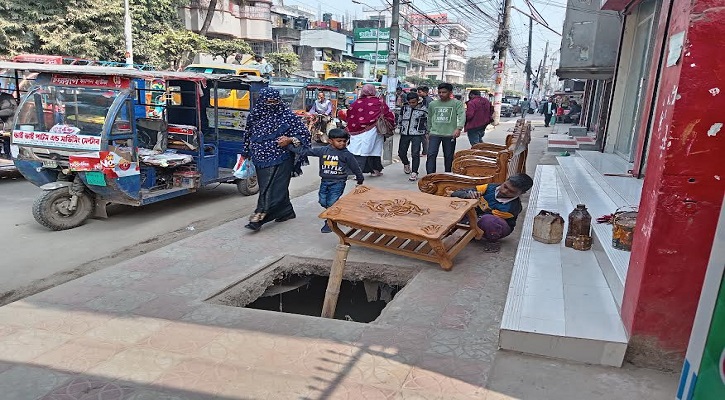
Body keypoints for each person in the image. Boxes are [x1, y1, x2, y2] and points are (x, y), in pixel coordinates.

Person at [242, 88, 311, 232]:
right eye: (268, 102)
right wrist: (246, 152)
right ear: (261, 102)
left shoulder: (287, 116)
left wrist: (289, 139)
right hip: (259, 159)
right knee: (269, 186)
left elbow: (304, 135)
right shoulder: (254, 116)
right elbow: (247, 134)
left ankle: (260, 216)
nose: (272, 105)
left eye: (275, 101)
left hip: (281, 157)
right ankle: (286, 211)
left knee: (271, 188)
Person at [279, 128, 364, 233]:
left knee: (331, 202)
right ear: (330, 141)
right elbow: (305, 151)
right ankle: (337, 209)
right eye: (339, 141)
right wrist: (289, 146)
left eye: (344, 141)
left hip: (338, 182)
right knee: (322, 201)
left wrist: (360, 179)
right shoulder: (323, 150)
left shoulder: (346, 154)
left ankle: (330, 222)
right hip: (325, 181)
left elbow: (355, 167)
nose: (342, 143)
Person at [451, 173, 534, 252]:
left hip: (494, 225)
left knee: (488, 221)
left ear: (521, 193)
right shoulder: (489, 187)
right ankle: (463, 229)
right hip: (475, 216)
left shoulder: (512, 208)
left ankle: (492, 241)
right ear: (505, 180)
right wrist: (468, 195)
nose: (505, 191)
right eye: (505, 186)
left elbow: (481, 218)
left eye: (511, 191)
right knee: (456, 204)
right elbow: (456, 193)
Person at [346, 84, 395, 177]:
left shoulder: (355, 103)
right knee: (374, 150)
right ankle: (374, 171)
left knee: (357, 150)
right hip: (374, 129)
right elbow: (388, 114)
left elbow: (349, 116)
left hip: (356, 131)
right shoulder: (379, 102)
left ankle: (357, 172)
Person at [426, 82, 465, 174]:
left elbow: (461, 116)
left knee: (448, 156)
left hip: (449, 134)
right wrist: (428, 131)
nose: (441, 94)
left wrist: (458, 128)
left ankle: (448, 174)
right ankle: (430, 175)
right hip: (435, 133)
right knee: (431, 154)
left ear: (450, 92)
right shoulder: (433, 104)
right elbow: (430, 117)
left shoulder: (457, 103)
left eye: (444, 92)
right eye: (439, 92)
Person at [397, 92, 428, 181]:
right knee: (401, 152)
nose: (411, 104)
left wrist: (427, 132)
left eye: (413, 102)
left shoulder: (424, 109)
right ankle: (406, 163)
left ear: (417, 101)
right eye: (410, 102)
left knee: (415, 153)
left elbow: (428, 121)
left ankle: (414, 172)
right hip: (405, 133)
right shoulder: (405, 108)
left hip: (417, 134)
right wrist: (399, 126)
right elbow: (400, 118)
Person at [417, 86, 433, 156]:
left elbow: (425, 111)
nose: (418, 93)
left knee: (424, 137)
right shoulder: (428, 99)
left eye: (420, 92)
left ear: (425, 92)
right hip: (427, 120)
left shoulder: (426, 100)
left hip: (426, 120)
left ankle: (425, 151)